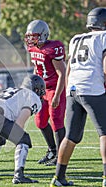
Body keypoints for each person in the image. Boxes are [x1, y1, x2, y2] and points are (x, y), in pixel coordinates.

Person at [50, 7, 106, 186]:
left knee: (71, 136)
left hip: (73, 90)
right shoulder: (104, 37)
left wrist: (67, 91)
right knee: (105, 133)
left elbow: (69, 68)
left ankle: (58, 177)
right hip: (93, 89)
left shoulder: (75, 38)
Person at [0, 74, 45, 184]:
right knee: (24, 139)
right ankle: (19, 175)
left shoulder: (13, 89)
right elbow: (19, 123)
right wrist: (18, 139)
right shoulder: (32, 96)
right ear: (36, 89)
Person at [25, 20, 66, 166]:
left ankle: (61, 156)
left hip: (55, 88)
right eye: (29, 36)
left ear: (43, 35)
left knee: (56, 121)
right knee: (40, 121)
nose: (31, 39)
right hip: (42, 90)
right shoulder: (33, 49)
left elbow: (62, 73)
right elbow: (37, 70)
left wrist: (56, 95)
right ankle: (52, 151)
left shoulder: (52, 48)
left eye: (34, 36)